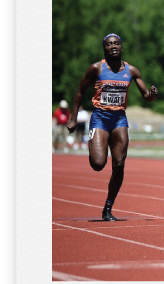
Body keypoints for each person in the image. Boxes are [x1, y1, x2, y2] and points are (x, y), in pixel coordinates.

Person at [65, 33, 159, 221]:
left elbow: (146, 96)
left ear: (122, 47)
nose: (113, 46)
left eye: (117, 43)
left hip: (119, 120)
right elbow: (79, 92)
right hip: (100, 118)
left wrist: (152, 95)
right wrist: (73, 118)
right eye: (109, 44)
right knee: (98, 164)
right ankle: (94, 145)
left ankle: (108, 207)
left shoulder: (131, 71)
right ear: (104, 49)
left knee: (119, 164)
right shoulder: (96, 68)